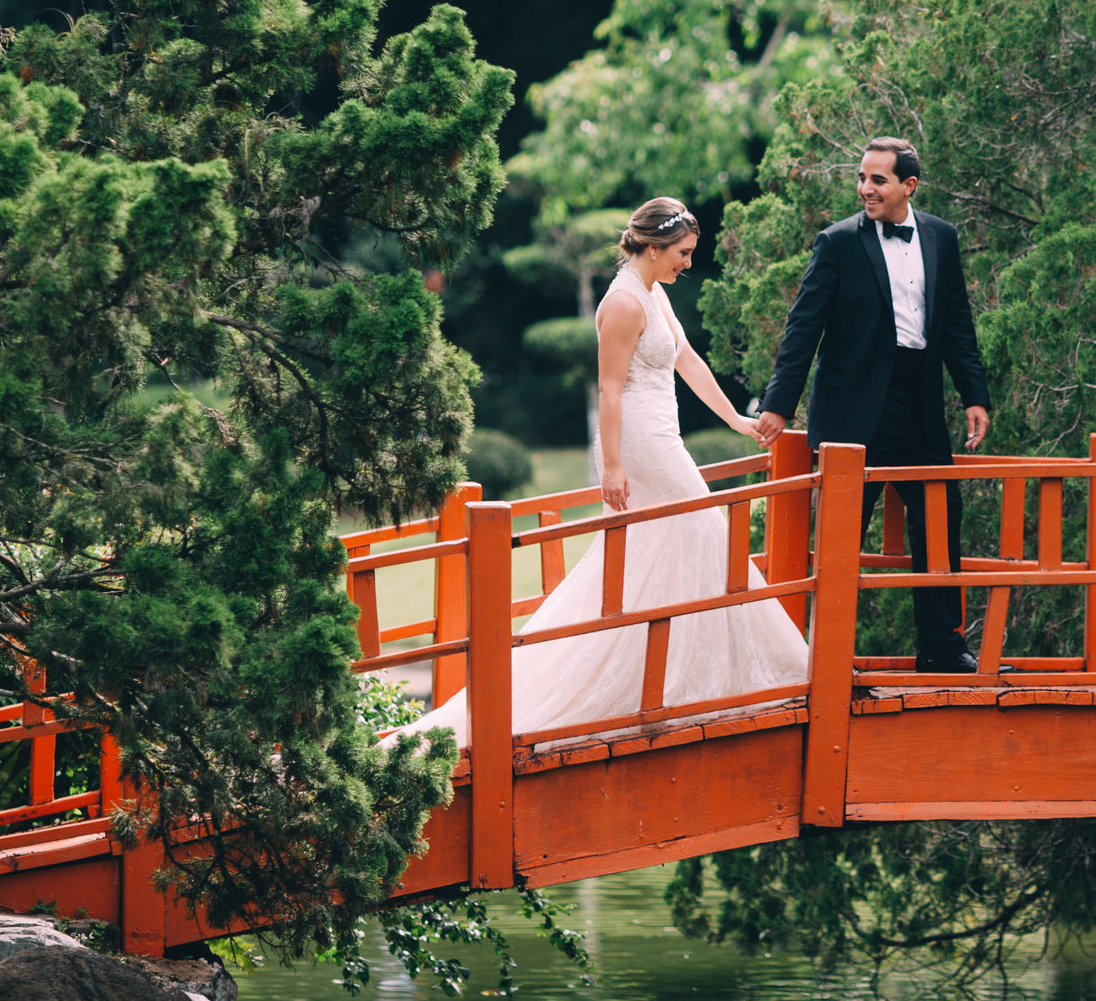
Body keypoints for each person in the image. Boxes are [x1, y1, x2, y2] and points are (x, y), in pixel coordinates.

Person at [398, 199, 808, 744]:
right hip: (637, 443)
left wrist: (736, 418)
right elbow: (610, 389)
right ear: (655, 248)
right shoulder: (621, 303)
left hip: (662, 434)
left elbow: (687, 359)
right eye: (682, 254)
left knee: (674, 546)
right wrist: (611, 467)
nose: (687, 263)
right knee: (706, 527)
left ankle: (676, 680)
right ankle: (708, 677)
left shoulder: (655, 292)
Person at [756, 137, 991, 673]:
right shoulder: (836, 243)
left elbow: (957, 323)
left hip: (922, 403)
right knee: (841, 537)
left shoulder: (942, 237)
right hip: (852, 409)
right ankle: (827, 656)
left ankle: (942, 647)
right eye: (862, 178)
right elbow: (803, 327)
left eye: (878, 180)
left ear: (908, 185)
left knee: (939, 521)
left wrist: (973, 395)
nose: (865, 188)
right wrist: (779, 404)